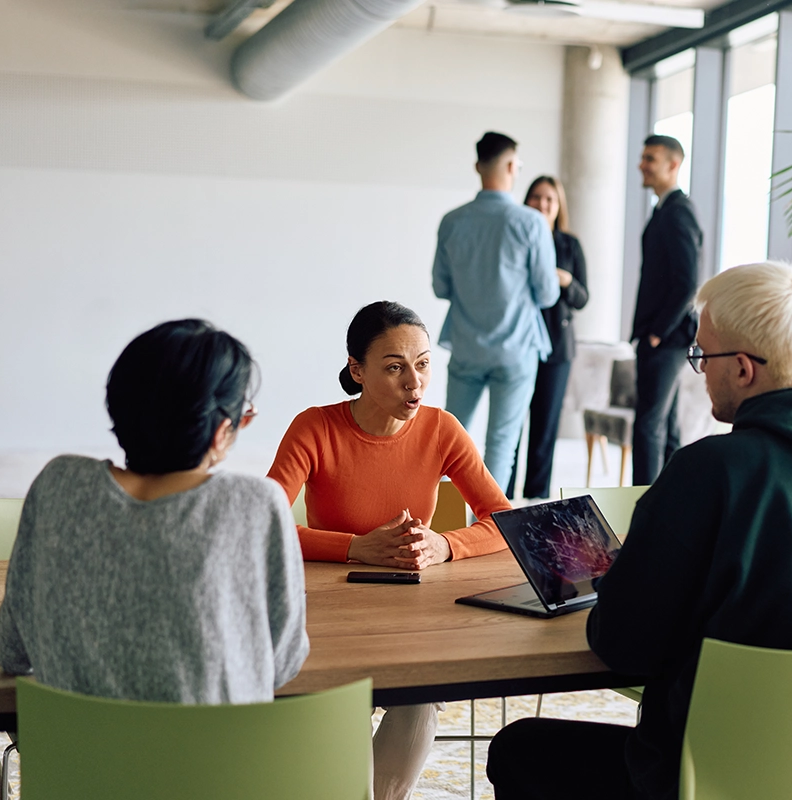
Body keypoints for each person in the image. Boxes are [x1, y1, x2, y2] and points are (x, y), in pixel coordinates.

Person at [486, 262, 792, 800]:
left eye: (700, 354)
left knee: (519, 747)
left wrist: (620, 579)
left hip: (717, 775)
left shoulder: (711, 470)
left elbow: (623, 646)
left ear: (744, 369)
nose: (696, 368)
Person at [267, 300, 510, 800]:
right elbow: (260, 527)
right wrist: (358, 547)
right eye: (395, 367)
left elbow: (505, 520)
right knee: (339, 708)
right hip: (331, 619)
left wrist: (445, 545)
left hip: (412, 619)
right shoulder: (314, 427)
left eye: (422, 365)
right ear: (357, 370)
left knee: (420, 697)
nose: (414, 383)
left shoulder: (442, 428)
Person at [0, 319, 309, 704]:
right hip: (219, 761)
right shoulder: (255, 504)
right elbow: (283, 663)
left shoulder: (57, 484)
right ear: (221, 430)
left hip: (77, 762)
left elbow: (11, 652)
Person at [432, 131, 560, 492]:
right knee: (501, 445)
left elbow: (440, 287)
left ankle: (442, 524)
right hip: (516, 350)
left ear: (477, 166)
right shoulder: (531, 223)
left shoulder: (452, 221)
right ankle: (489, 532)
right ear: (509, 165)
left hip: (466, 345)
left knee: (449, 442)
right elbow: (548, 293)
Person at [507, 175, 589, 499]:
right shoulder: (515, 239)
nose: (542, 205)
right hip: (518, 344)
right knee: (511, 428)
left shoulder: (570, 244)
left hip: (557, 349)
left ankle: (535, 501)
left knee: (544, 431)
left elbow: (583, 298)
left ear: (558, 207)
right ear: (526, 201)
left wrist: (566, 281)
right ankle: (501, 501)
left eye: (549, 200)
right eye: (536, 198)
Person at [631, 134, 703, 485]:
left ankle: (639, 511)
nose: (642, 165)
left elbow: (688, 282)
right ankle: (673, 505)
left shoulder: (678, 212)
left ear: (673, 165)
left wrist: (658, 331)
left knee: (647, 426)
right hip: (661, 336)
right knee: (665, 427)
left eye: (650, 159)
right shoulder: (664, 209)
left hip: (668, 337)